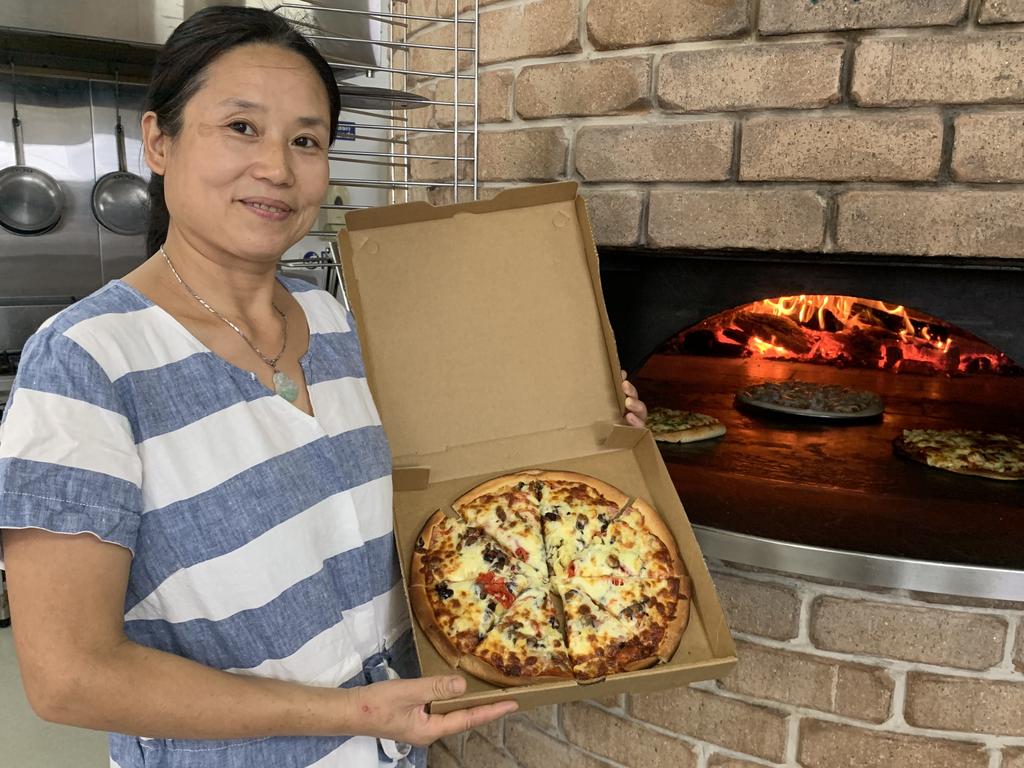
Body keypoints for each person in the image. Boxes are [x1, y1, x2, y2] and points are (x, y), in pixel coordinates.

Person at [0, 6, 649, 768]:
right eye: (242, 127)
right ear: (158, 141)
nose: (277, 167)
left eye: (306, 140)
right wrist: (351, 712)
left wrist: (581, 409)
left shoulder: (330, 318)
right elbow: (71, 678)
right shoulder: (85, 362)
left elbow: (429, 476)